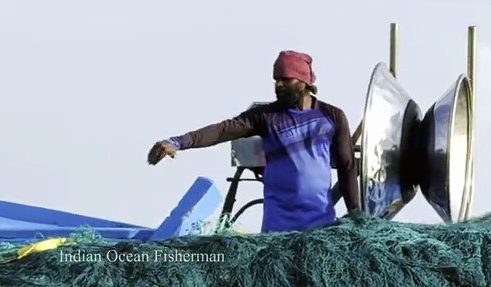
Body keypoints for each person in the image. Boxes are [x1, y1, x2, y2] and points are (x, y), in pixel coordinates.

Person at [147, 50, 360, 232]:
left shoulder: (332, 116)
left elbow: (347, 166)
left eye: (286, 80)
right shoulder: (266, 116)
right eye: (276, 80)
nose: (279, 85)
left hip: (320, 227)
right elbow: (222, 130)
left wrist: (356, 213)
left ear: (303, 82)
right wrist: (176, 142)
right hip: (277, 229)